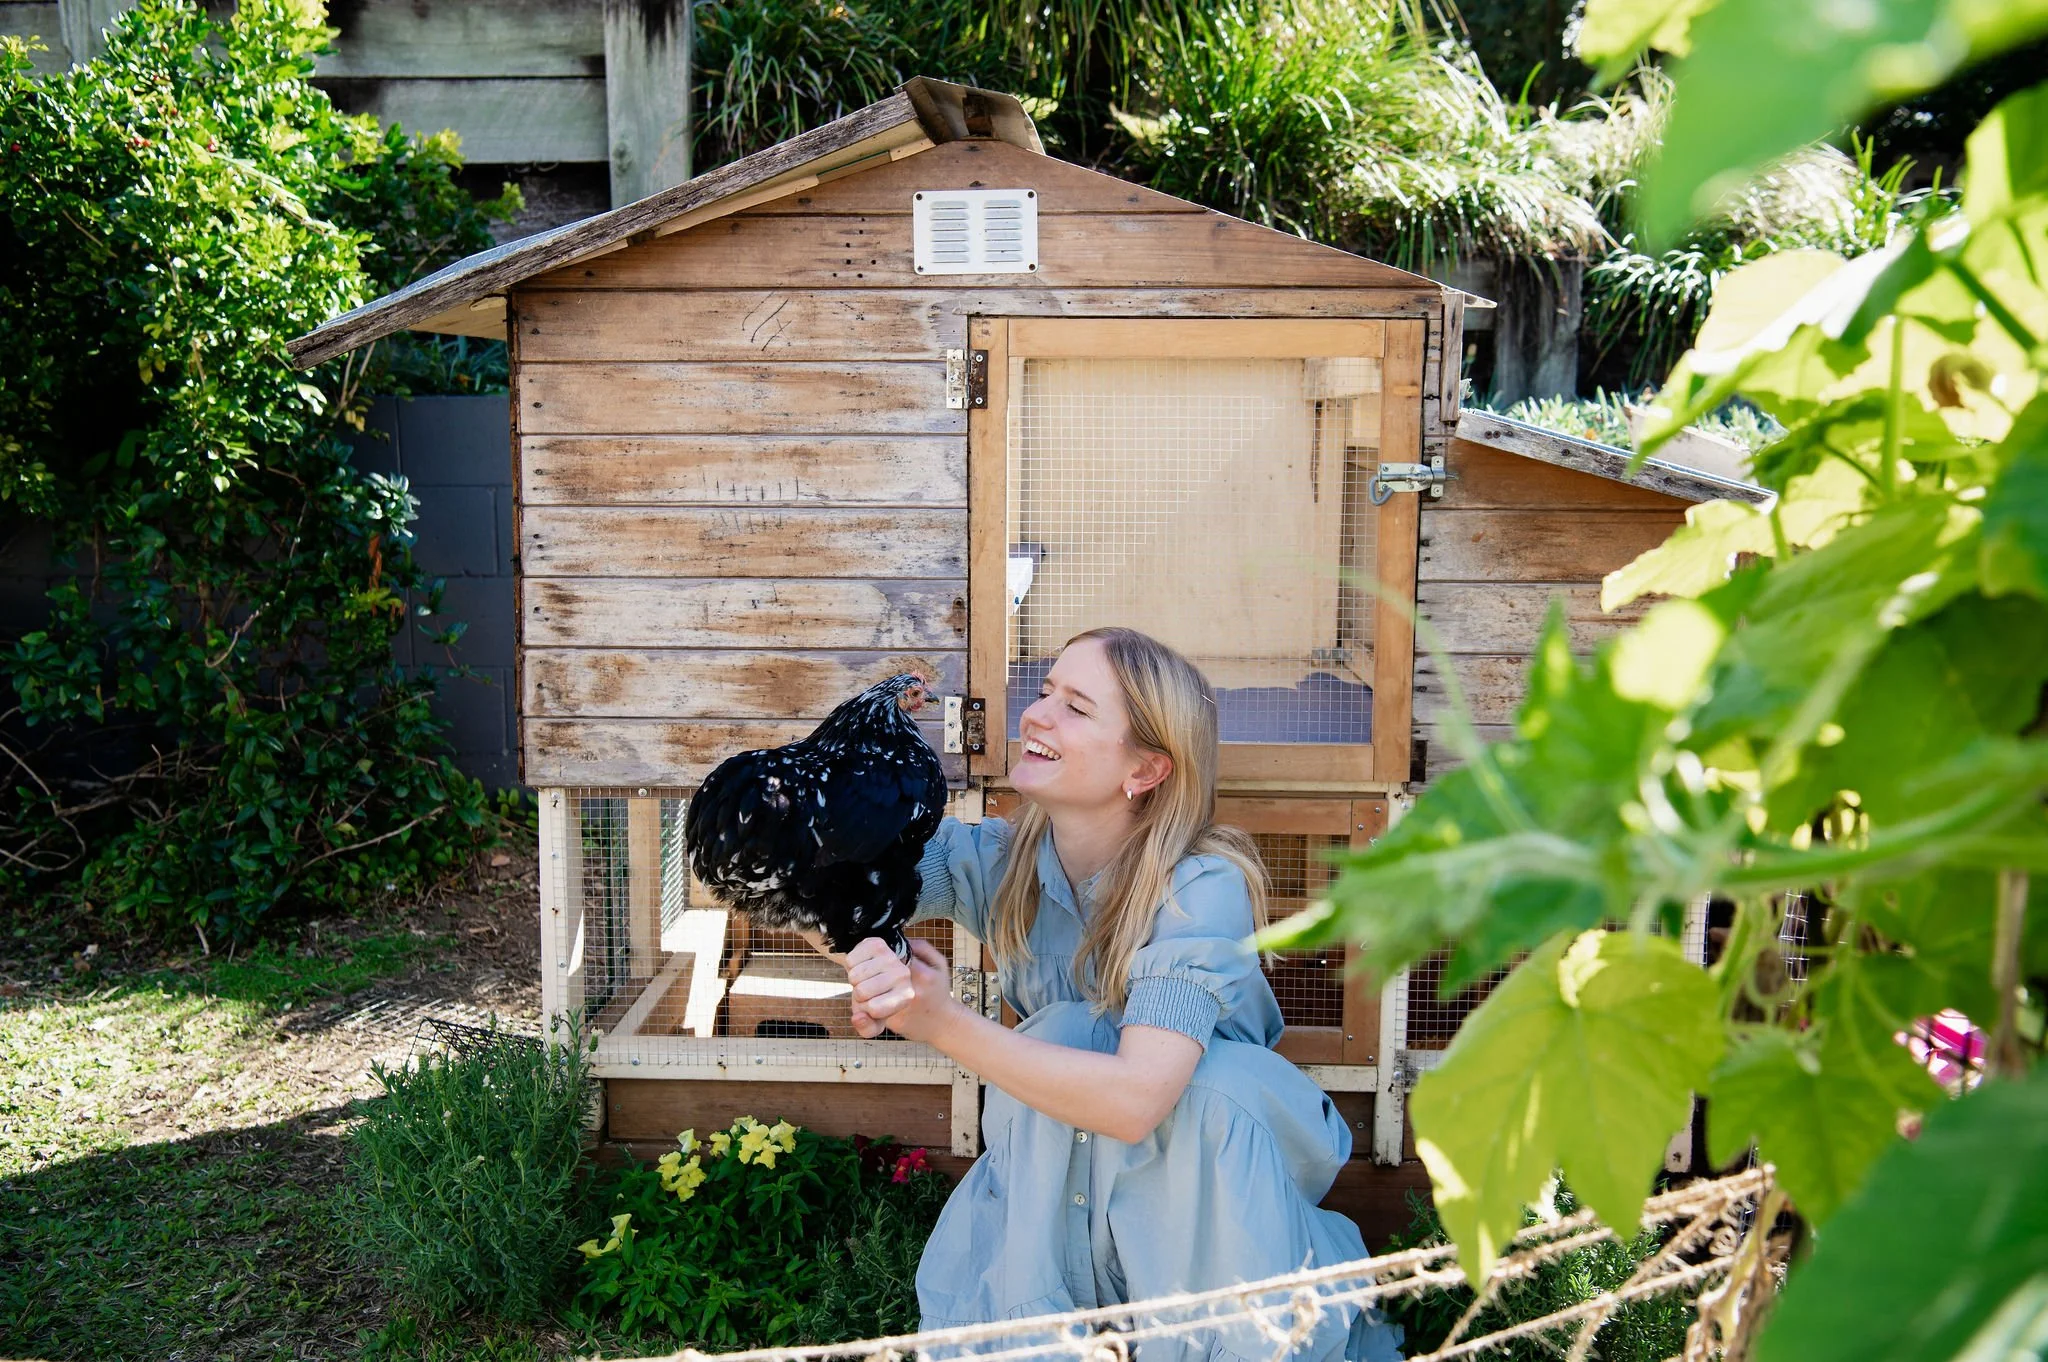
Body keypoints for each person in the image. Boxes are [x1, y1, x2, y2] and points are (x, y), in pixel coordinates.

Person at [838, 626, 1403, 1362]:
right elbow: (841, 891)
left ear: (1145, 769)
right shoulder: (1000, 858)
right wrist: (873, 970)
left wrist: (939, 1021)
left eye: (1076, 706)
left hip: (1202, 1183)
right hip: (1069, 1165)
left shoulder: (1201, 886)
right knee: (1066, 1036)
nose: (1037, 715)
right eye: (1045, 693)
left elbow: (1139, 1098)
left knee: (1134, 1058)